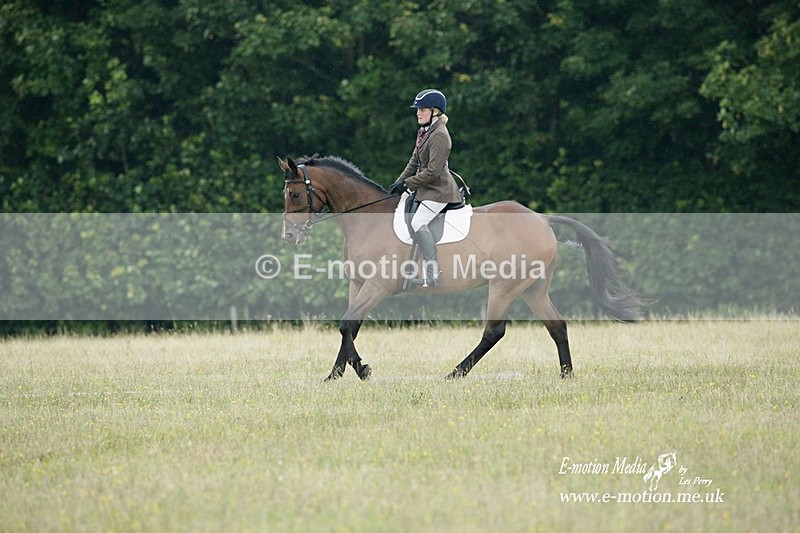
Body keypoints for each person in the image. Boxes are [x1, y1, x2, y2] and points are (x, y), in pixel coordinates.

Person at [389, 89, 462, 287]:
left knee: (417, 222)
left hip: (439, 191)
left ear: (435, 112)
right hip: (425, 189)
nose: (418, 113)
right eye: (418, 110)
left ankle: (432, 273)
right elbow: (413, 162)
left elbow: (433, 172)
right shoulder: (424, 131)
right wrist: (398, 182)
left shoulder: (439, 135)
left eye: (422, 110)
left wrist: (408, 184)